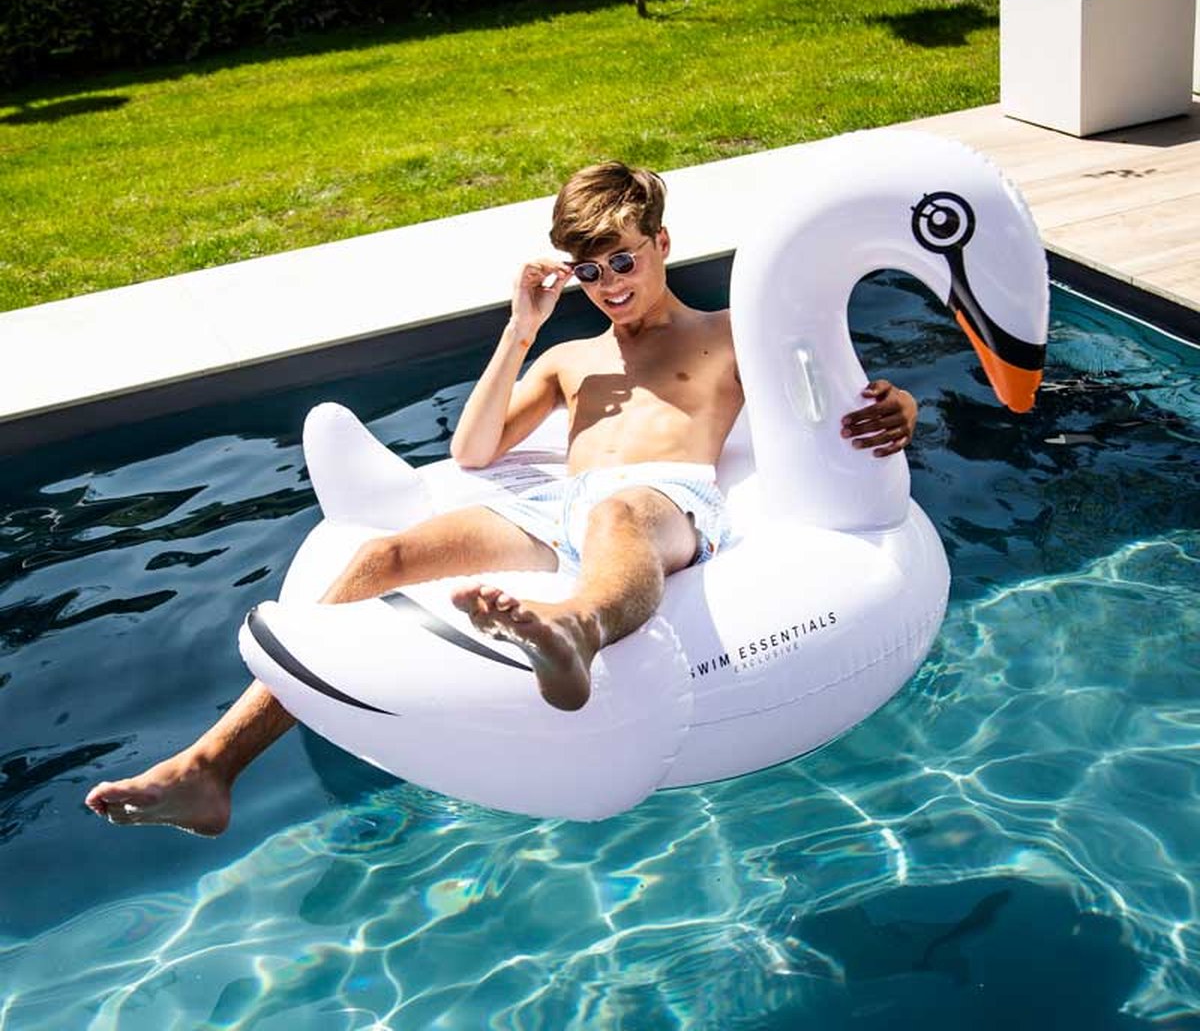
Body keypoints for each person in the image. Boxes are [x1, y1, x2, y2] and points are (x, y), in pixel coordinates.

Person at [85, 162, 917, 835]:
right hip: (557, 510)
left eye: (624, 261)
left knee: (617, 515)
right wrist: (523, 327)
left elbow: (840, 396)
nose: (609, 285)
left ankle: (574, 632)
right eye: (589, 271)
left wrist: (900, 406)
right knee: (383, 557)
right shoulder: (570, 360)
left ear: (661, 243)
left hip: (666, 500)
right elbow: (473, 450)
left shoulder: (730, 331)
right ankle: (211, 768)